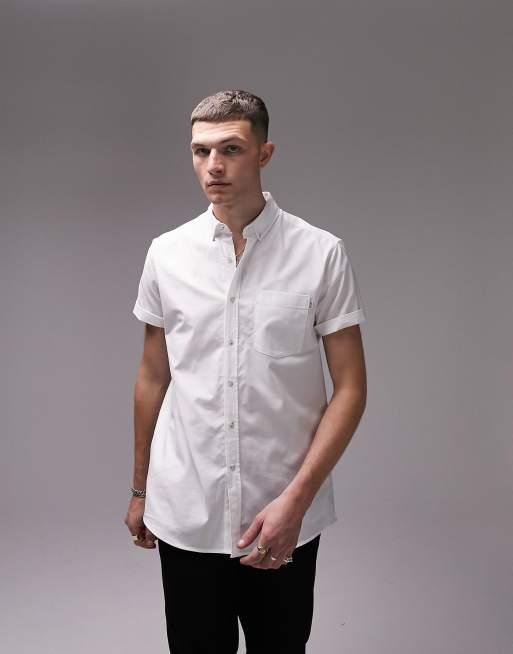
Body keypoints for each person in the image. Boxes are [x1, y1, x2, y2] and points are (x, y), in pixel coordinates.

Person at [124, 89, 368, 653]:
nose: (214, 165)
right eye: (201, 151)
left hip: (283, 511)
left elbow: (351, 388)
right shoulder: (166, 254)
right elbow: (152, 377)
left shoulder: (320, 254)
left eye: (230, 148)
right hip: (187, 510)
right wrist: (140, 489)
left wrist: (296, 502)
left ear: (264, 153)